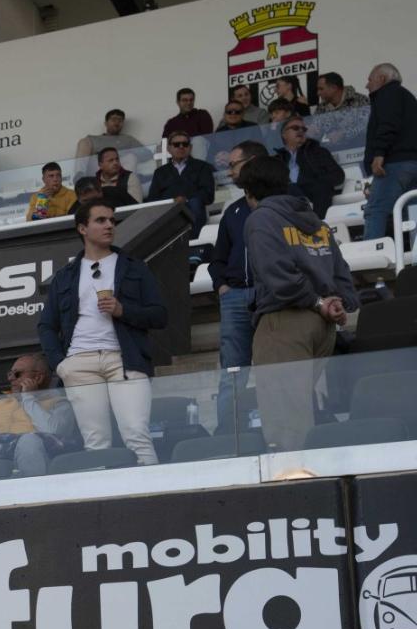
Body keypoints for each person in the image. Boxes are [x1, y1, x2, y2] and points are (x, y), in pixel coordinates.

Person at [241, 156, 358, 451]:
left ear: (249, 191)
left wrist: (318, 302)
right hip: (322, 327)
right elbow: (340, 271)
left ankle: (297, 488)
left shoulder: (261, 218)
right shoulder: (315, 220)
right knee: (300, 411)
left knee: (285, 426)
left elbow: (277, 275)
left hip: (286, 320)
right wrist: (336, 303)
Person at [38, 202, 167, 466]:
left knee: (137, 434)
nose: (109, 225)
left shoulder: (133, 267)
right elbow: (46, 325)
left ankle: (151, 499)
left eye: (112, 220)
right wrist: (60, 364)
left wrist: (123, 310)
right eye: (101, 220)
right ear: (83, 228)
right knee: (95, 442)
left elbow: (159, 315)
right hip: (79, 362)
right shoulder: (65, 276)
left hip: (124, 358)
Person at [210, 140, 269, 432]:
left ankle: (279, 428)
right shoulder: (232, 211)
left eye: (233, 164)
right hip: (234, 299)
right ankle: (227, 433)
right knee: (232, 373)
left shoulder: (283, 202)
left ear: (253, 162)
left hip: (271, 294)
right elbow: (217, 258)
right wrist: (222, 286)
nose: (230, 171)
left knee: (277, 368)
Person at [362, 63, 417, 240]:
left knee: (375, 210)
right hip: (413, 164)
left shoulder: (387, 93)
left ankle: (369, 260)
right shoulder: (408, 97)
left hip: (394, 163)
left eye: (369, 80)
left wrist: (379, 154)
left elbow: (388, 124)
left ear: (382, 79)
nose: (367, 85)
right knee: (412, 212)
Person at [148, 131, 216, 239]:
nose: (181, 147)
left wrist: (186, 199)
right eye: (176, 144)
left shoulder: (203, 167)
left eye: (185, 144)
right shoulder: (160, 172)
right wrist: (172, 202)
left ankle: (194, 243)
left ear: (190, 147)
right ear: (169, 148)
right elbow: (153, 200)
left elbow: (208, 195)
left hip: (193, 211)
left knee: (195, 202)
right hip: (168, 212)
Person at [275, 115, 345, 218]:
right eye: (295, 128)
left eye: (303, 129)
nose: (300, 131)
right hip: (288, 199)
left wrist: (315, 181)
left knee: (321, 187)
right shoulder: (277, 159)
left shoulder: (318, 152)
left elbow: (338, 176)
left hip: (314, 196)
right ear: (284, 134)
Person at [74, 109, 141, 163]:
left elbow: (147, 154)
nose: (117, 123)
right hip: (98, 168)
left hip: (119, 168)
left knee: (131, 157)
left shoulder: (128, 139)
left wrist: (123, 153)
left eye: (120, 120)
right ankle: (80, 176)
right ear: (106, 123)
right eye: (114, 120)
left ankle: (126, 179)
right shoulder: (94, 139)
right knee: (83, 142)